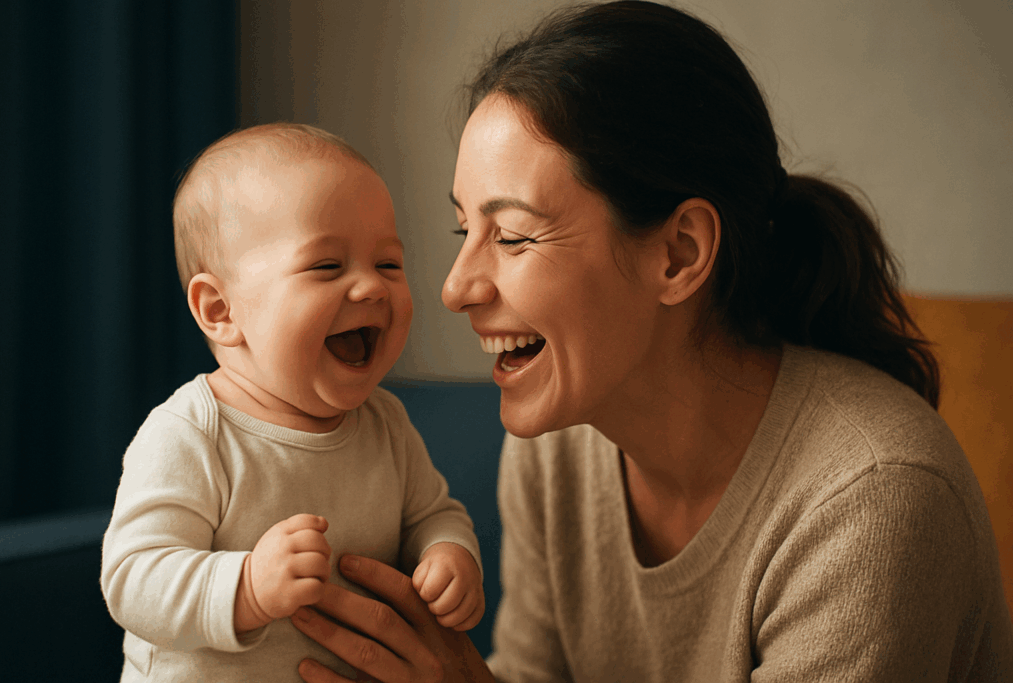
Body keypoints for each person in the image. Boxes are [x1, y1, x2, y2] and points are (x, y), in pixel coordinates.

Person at [287, 2, 1013, 681]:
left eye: (510, 235)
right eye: (463, 230)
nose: (455, 287)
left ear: (679, 253)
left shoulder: (874, 503)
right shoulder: (555, 448)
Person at [100, 123, 485, 682]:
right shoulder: (192, 432)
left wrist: (449, 556)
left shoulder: (386, 424)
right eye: (326, 266)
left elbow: (432, 514)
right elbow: (132, 578)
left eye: (388, 265)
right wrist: (249, 586)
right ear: (219, 311)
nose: (372, 288)